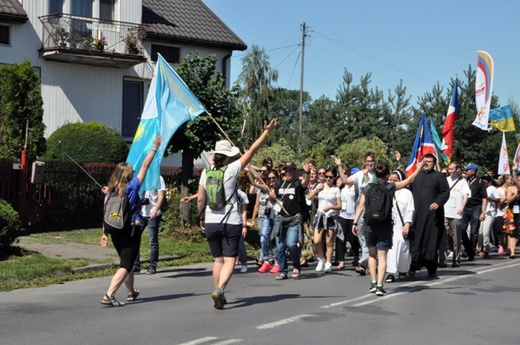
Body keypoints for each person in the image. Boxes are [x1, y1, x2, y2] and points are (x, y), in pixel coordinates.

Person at [197, 118, 278, 309]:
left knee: (217, 259)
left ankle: (218, 290)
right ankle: (220, 290)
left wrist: (201, 217)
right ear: (227, 157)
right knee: (230, 260)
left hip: (211, 220)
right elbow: (252, 151)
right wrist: (266, 132)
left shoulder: (205, 172)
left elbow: (201, 198)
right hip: (231, 221)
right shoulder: (232, 169)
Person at [100, 134, 162, 307]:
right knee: (126, 264)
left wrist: (104, 233)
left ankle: (131, 292)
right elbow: (145, 165)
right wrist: (154, 147)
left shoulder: (109, 191)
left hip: (113, 229)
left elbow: (106, 211)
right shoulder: (132, 186)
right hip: (130, 230)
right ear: (128, 175)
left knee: (125, 261)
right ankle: (109, 294)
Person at [352, 160, 423, 296]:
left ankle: (372, 283)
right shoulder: (390, 187)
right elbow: (410, 180)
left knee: (372, 255)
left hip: (369, 225)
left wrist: (355, 223)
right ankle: (380, 285)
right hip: (384, 225)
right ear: (388, 174)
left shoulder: (368, 187)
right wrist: (418, 168)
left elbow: (360, 206)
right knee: (382, 256)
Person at [333, 152, 377, 276]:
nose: (370, 163)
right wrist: (340, 166)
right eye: (368, 160)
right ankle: (364, 263)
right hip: (361, 209)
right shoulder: (359, 174)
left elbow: (370, 188)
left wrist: (367, 176)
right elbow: (346, 181)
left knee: (373, 237)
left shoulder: (378, 174)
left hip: (375, 210)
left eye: (372, 160)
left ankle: (371, 261)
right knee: (362, 237)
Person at [409, 154, 450, 277]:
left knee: (430, 241)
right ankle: (413, 266)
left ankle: (431, 267)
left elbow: (445, 192)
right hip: (416, 213)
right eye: (424, 161)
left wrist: (438, 202)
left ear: (434, 163)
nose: (426, 163)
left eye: (429, 161)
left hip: (432, 215)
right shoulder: (416, 176)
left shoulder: (439, 176)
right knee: (415, 240)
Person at [269, 161, 310, 280]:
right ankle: (283, 270)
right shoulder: (279, 185)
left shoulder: (297, 184)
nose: (288, 173)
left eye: (291, 171)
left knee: (291, 244)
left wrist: (307, 172)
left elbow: (305, 182)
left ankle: (296, 266)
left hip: (294, 219)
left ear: (295, 172)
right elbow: (274, 202)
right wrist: (272, 198)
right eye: (286, 171)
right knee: (279, 247)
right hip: (281, 219)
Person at [307, 168, 341, 273]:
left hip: (330, 216)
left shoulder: (336, 189)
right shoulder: (320, 187)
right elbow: (309, 197)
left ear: (334, 178)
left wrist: (331, 207)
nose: (328, 179)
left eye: (330, 177)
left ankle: (328, 263)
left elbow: (339, 205)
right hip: (320, 215)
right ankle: (321, 258)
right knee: (316, 240)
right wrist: (316, 189)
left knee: (329, 241)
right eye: (326, 177)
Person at [133, 175, 166, 275]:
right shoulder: (140, 177)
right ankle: (136, 265)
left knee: (152, 240)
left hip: (153, 213)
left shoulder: (158, 178)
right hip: (141, 213)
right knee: (135, 239)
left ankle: (152, 265)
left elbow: (161, 196)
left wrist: (155, 210)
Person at [385, 170, 415, 282]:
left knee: (403, 250)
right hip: (389, 226)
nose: (391, 182)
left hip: (401, 226)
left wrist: (407, 224)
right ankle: (391, 273)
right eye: (390, 180)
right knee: (390, 250)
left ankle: (403, 270)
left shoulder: (407, 193)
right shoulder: (387, 191)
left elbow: (410, 210)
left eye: (395, 180)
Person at [441, 162, 470, 268]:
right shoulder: (445, 180)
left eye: (452, 169)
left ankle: (456, 260)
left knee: (456, 238)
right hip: (444, 211)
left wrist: (462, 207)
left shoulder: (463, 182)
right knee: (443, 236)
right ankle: (442, 260)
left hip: (456, 213)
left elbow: (466, 195)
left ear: (457, 169)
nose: (450, 171)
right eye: (449, 169)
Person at [460, 163, 487, 261]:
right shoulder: (463, 181)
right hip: (465, 207)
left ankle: (471, 252)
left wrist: (483, 212)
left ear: (473, 171)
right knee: (462, 229)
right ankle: (468, 248)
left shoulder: (480, 182)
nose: (465, 172)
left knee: (474, 232)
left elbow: (484, 198)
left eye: (467, 170)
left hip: (476, 207)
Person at [336, 167, 361, 270]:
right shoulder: (342, 186)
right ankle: (341, 260)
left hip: (353, 216)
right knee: (341, 238)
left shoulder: (356, 187)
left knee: (352, 238)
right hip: (342, 215)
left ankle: (356, 255)